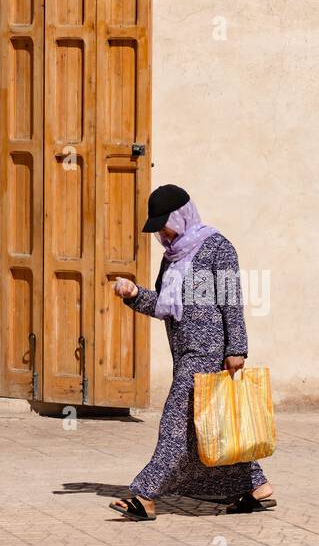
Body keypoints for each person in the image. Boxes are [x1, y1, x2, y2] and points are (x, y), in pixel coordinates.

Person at [110, 184, 275, 521]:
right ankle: (254, 485)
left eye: (164, 225)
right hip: (184, 352)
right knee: (206, 427)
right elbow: (164, 306)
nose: (161, 234)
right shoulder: (173, 258)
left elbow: (231, 301)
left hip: (209, 352)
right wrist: (132, 294)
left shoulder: (217, 247)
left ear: (181, 216)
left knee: (175, 422)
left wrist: (237, 349)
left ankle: (145, 495)